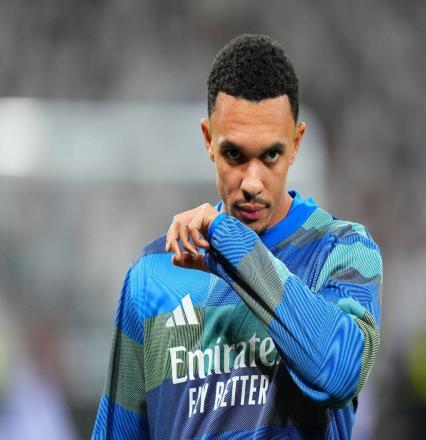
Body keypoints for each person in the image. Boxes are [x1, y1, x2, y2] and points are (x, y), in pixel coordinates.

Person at [92, 33, 382, 440]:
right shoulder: (154, 273)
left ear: (296, 144)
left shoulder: (343, 250)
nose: (252, 183)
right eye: (235, 155)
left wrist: (229, 244)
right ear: (208, 140)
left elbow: (339, 371)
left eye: (270, 155)